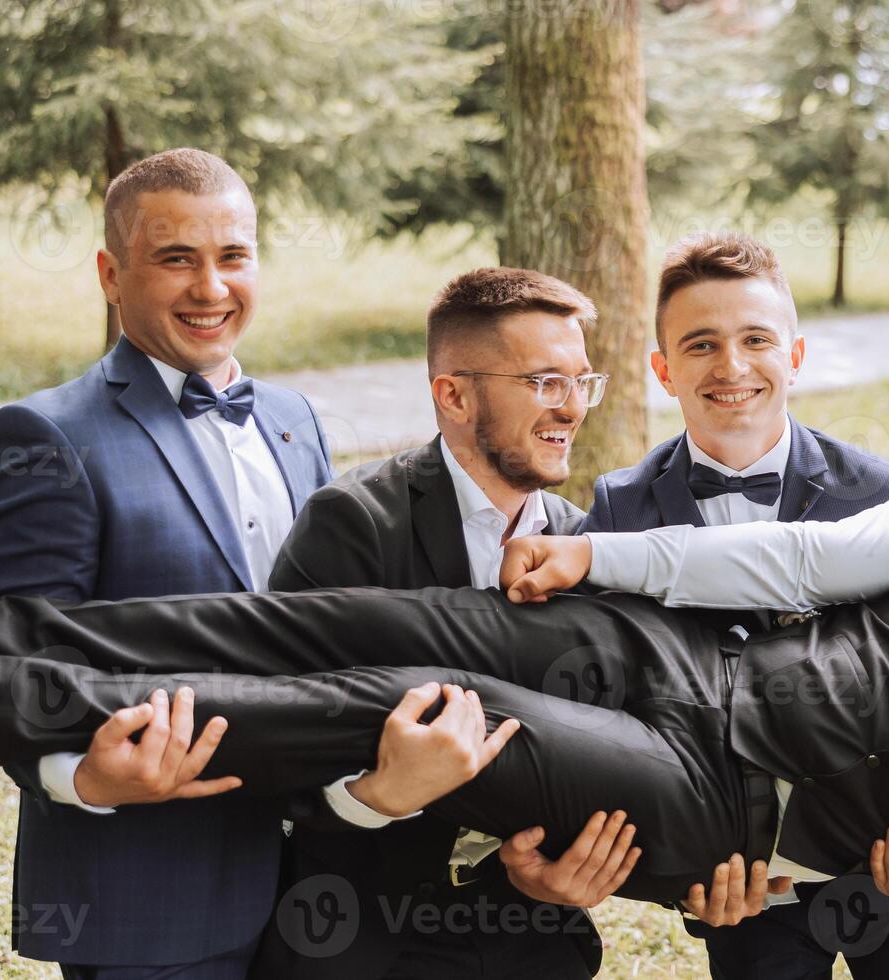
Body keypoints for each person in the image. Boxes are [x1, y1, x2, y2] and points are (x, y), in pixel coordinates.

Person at [0, 452, 889, 912]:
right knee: (337, 619)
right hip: (688, 657)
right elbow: (797, 558)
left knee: (415, 710)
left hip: (727, 807)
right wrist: (602, 555)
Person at [0, 148, 339, 977]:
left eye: (233, 256)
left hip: (325, 885)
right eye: (176, 259)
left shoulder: (294, 419)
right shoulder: (42, 438)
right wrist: (84, 777)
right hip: (150, 895)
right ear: (110, 274)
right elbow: (8, 667)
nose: (211, 288)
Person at [581, 231, 889, 978]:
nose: (731, 367)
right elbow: (619, 713)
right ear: (664, 371)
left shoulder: (883, 493)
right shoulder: (621, 508)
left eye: (755, 339)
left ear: (794, 356)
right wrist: (680, 873)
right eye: (700, 345)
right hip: (740, 877)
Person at [250, 266, 624, 979]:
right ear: (453, 394)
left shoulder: (591, 546)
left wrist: (561, 867)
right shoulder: (352, 524)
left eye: (583, 382)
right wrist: (378, 796)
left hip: (533, 934)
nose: (573, 408)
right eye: (545, 382)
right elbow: (273, 744)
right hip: (357, 931)